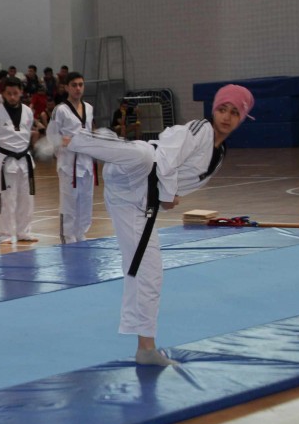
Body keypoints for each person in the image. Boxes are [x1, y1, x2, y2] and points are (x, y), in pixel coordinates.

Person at [61, 84, 255, 366]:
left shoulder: (219, 153)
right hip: (135, 169)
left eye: (235, 112)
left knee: (148, 272)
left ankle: (146, 349)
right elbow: (166, 158)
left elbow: (180, 184)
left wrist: (169, 196)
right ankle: (72, 139)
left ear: (242, 118)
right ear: (213, 110)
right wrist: (167, 194)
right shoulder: (200, 130)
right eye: (223, 109)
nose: (226, 117)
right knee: (143, 154)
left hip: (134, 201)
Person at [0, 77, 37, 243]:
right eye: (9, 93)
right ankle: (5, 233)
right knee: (6, 199)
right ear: (3, 94)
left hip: (25, 160)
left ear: (21, 92)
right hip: (5, 161)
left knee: (26, 198)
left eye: (15, 93)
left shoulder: (27, 111)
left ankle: (24, 232)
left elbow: (27, 133)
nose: (12, 97)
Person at [50, 71, 96, 243]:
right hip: (69, 163)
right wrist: (63, 141)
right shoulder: (60, 110)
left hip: (87, 162)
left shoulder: (89, 108)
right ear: (66, 87)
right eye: (74, 85)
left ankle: (81, 233)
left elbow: (90, 132)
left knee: (85, 200)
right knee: (69, 202)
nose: (78, 88)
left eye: (80, 85)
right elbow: (51, 136)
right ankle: (68, 236)